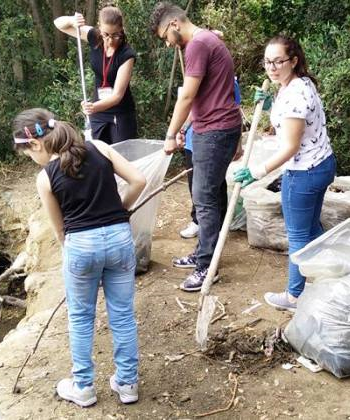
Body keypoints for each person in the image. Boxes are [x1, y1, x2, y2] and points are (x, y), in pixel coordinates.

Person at [12, 108, 146, 407]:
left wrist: (76, 249)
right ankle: (127, 384)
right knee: (122, 314)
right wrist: (120, 211)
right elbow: (138, 181)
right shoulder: (99, 147)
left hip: (81, 246)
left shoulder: (46, 177)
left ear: (35, 144)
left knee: (81, 318)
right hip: (119, 239)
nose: (31, 159)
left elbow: (60, 232)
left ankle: (83, 387)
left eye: (27, 154)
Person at [234, 36, 336, 312]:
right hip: (321, 166)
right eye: (268, 61)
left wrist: (257, 171)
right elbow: (289, 119)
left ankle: (294, 297)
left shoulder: (295, 93)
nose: (272, 67)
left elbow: (290, 146)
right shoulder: (298, 83)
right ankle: (331, 274)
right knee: (313, 229)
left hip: (303, 173)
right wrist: (269, 106)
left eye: (279, 61)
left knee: (299, 236)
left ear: (293, 60)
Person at [150, 2, 243, 291]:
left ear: (174, 24)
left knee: (204, 198)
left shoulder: (198, 45)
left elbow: (187, 97)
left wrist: (170, 133)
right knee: (211, 193)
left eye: (165, 36)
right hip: (214, 128)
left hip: (215, 132)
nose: (167, 43)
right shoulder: (206, 40)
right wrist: (184, 129)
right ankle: (206, 253)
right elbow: (203, 97)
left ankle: (207, 268)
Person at [55, 7, 137, 144]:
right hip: (98, 114)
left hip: (120, 113)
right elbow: (59, 24)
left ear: (121, 29)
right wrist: (71, 20)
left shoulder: (127, 54)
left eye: (115, 35)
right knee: (98, 155)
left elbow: (117, 95)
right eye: (106, 34)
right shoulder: (94, 36)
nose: (110, 40)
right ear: (100, 28)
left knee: (121, 157)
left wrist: (93, 107)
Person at [179, 76, 242, 239]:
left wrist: (238, 143)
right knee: (194, 184)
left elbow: (236, 111)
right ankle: (197, 221)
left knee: (216, 184)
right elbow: (188, 107)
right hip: (193, 140)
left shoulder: (228, 81)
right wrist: (182, 130)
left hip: (214, 141)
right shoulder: (193, 79)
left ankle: (219, 225)